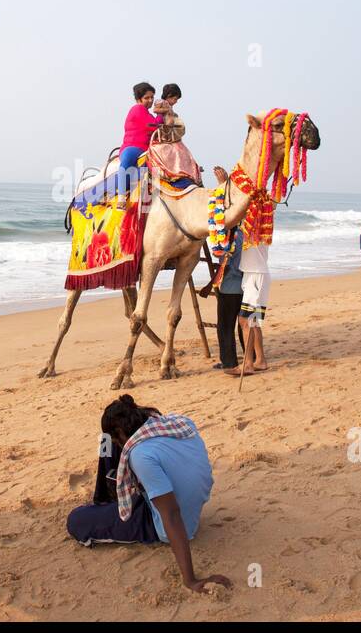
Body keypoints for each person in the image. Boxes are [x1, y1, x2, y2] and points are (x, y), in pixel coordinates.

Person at [66, 395, 230, 594]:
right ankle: (103, 497)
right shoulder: (179, 423)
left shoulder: (141, 455)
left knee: (76, 520)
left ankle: (106, 510)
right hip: (182, 500)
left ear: (122, 432)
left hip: (164, 524)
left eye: (119, 439)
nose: (119, 445)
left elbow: (171, 514)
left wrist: (191, 580)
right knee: (105, 442)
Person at [211, 167, 244, 371]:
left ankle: (229, 361)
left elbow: (227, 262)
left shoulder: (230, 239)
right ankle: (252, 355)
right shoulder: (244, 236)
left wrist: (221, 186)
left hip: (230, 287)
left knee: (225, 326)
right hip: (244, 287)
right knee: (244, 324)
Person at [117, 82, 163, 196]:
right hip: (133, 147)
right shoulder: (138, 109)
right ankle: (121, 195)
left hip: (146, 150)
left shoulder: (149, 114)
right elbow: (154, 126)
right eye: (146, 98)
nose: (150, 100)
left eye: (152, 97)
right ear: (139, 99)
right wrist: (161, 115)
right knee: (128, 158)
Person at [235, 240, 271, 372]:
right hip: (251, 273)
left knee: (246, 320)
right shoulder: (249, 226)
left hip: (256, 274)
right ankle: (260, 360)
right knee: (254, 321)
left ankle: (248, 364)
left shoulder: (255, 226)